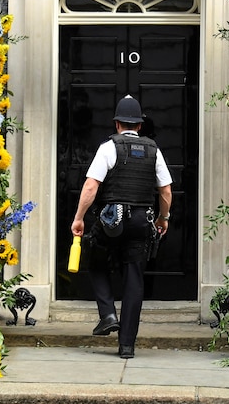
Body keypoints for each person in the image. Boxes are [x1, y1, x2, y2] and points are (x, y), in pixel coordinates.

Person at [70, 95, 172, 359]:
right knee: (134, 280)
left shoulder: (108, 147)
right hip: (142, 221)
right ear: (138, 126)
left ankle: (107, 314)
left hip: (110, 221)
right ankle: (126, 346)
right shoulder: (154, 150)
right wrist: (164, 218)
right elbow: (166, 191)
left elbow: (91, 186)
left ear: (117, 124)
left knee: (96, 263)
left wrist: (79, 217)